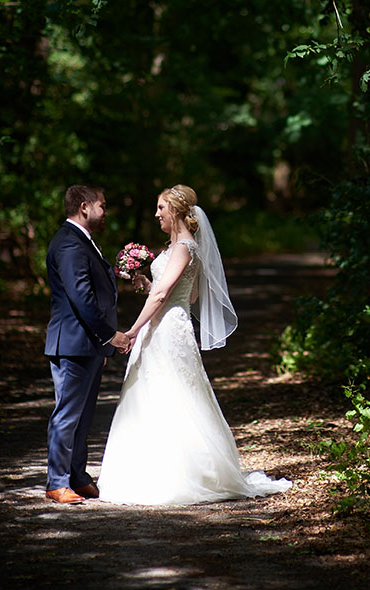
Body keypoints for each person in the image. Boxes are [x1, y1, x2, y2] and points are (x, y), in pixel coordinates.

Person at [96, 184, 293, 505]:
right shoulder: (179, 247)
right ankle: (150, 467)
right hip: (164, 325)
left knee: (173, 392)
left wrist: (132, 331)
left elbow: (166, 296)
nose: (157, 214)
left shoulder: (185, 246)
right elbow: (185, 295)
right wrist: (147, 283)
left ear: (174, 210)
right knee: (155, 392)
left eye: (161, 208)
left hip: (169, 331)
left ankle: (180, 472)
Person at [43, 185, 132, 504]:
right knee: (67, 413)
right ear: (84, 207)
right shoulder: (69, 243)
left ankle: (78, 477)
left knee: (83, 415)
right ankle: (57, 481)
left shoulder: (83, 241)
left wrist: (99, 346)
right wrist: (110, 336)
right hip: (72, 343)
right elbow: (81, 296)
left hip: (87, 344)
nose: (106, 212)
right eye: (102, 206)